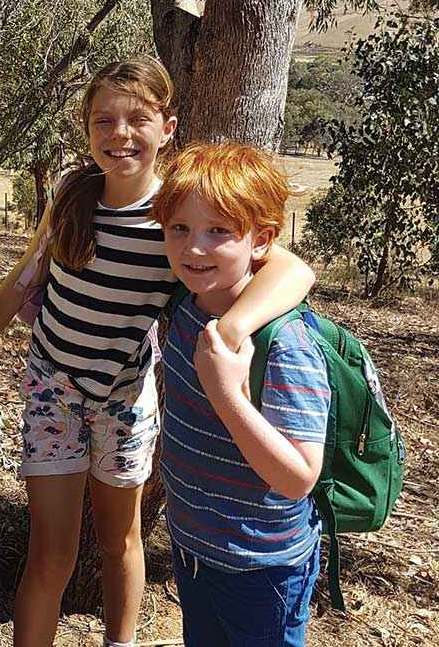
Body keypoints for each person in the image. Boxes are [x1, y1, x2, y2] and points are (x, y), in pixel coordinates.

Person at [0, 55, 317, 647]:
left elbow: (291, 268)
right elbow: (27, 274)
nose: (119, 135)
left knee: (118, 540)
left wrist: (231, 332)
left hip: (124, 398)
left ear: (167, 127)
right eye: (103, 121)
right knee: (51, 552)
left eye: (137, 119)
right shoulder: (74, 194)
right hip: (54, 387)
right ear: (86, 128)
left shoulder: (176, 218)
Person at [150, 142, 327, 646]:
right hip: (193, 549)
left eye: (219, 231)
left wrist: (227, 395)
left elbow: (297, 478)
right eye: (179, 229)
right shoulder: (188, 304)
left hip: (260, 568)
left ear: (262, 240)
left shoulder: (286, 344)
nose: (193, 248)